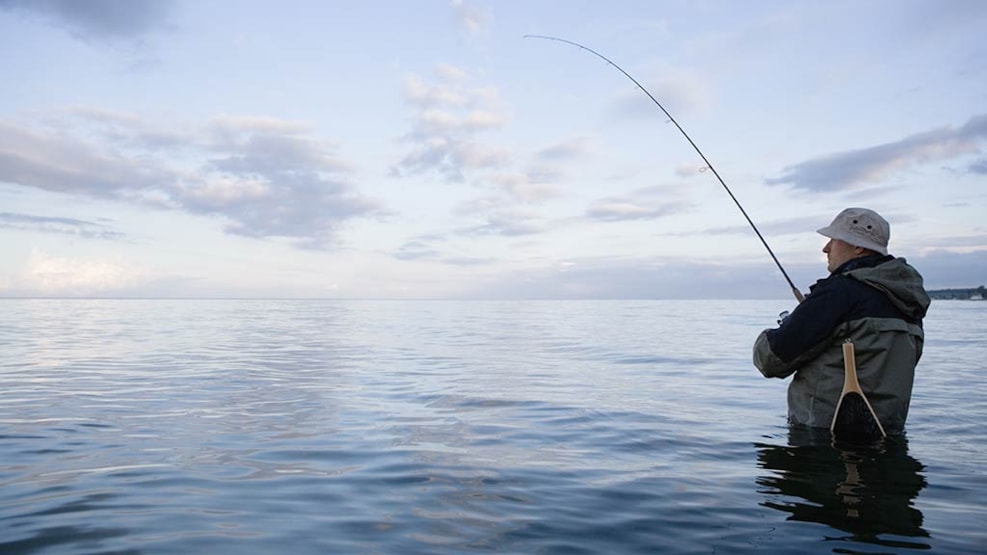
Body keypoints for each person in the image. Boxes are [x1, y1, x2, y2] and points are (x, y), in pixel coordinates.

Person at [753, 207, 930, 435]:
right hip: (887, 436)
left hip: (823, 442)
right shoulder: (908, 302)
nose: (825, 248)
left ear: (857, 247)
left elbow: (770, 359)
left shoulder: (839, 293)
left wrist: (790, 325)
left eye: (834, 240)